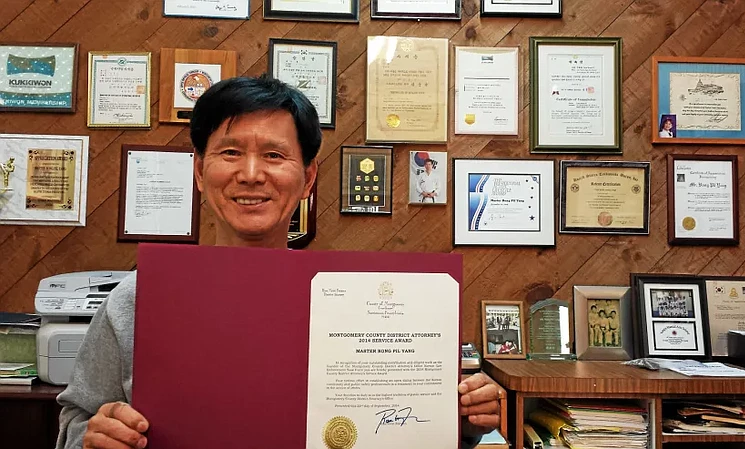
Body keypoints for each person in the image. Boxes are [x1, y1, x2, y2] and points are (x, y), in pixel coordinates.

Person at [55, 75, 500, 449]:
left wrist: (464, 417)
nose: (251, 173)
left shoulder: (364, 304)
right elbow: (76, 421)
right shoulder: (137, 300)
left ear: (307, 178)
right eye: (230, 153)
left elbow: (409, 425)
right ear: (198, 171)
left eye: (274, 154)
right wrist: (94, 436)